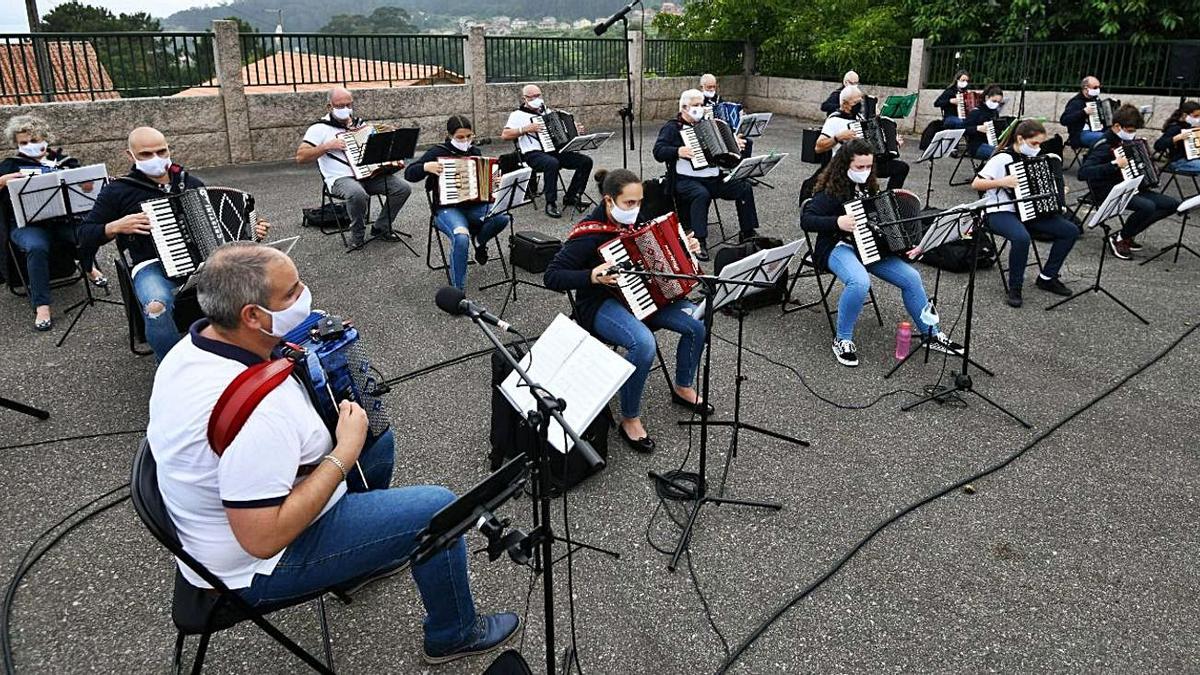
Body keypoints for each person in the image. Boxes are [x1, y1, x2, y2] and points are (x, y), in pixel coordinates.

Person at [146, 242, 519, 665]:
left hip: (221, 522)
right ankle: (454, 633)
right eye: (291, 293)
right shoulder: (259, 414)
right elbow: (262, 538)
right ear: (252, 316)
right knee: (437, 510)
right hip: (250, 565)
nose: (305, 295)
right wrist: (342, 453)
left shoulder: (192, 347)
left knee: (379, 444)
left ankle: (357, 565)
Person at [543, 169, 708, 453]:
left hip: (645, 297)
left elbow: (662, 253)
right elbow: (552, 276)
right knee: (644, 344)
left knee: (696, 324)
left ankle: (683, 386)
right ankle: (629, 418)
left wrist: (686, 246)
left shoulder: (637, 219)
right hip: (600, 303)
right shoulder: (588, 233)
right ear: (609, 200)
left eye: (639, 202)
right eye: (629, 203)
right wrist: (590, 275)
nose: (636, 209)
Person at [77, 127, 270, 361]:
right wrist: (114, 227)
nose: (156, 159)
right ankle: (172, 367)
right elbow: (84, 233)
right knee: (155, 308)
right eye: (146, 154)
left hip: (204, 261)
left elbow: (225, 231)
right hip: (152, 264)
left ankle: (243, 353)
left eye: (161, 151)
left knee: (255, 287)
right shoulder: (118, 191)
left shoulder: (190, 182)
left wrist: (251, 230)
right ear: (130, 155)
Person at [800, 139, 963, 367]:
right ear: (844, 165)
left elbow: (882, 221)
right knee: (859, 281)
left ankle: (931, 334)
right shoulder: (830, 192)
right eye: (859, 167)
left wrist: (903, 244)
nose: (865, 172)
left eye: (869, 167)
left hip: (868, 246)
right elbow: (807, 220)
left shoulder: (869, 187)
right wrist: (837, 221)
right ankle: (842, 339)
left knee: (912, 278)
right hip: (837, 246)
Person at [0, 114, 106, 331]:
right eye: (23, 143)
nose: (30, 146)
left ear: (46, 139)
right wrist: (2, 181)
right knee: (36, 247)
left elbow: (89, 186)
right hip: (27, 224)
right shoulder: (10, 165)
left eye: (35, 140)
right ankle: (42, 305)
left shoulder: (65, 161)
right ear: (16, 144)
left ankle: (87, 267)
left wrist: (87, 186)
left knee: (89, 232)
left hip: (63, 220)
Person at [971, 119, 1078, 307]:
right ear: (1020, 138)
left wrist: (1056, 191)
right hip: (999, 211)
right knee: (1021, 238)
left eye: (1040, 144)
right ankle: (1015, 287)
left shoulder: (1035, 158)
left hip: (1027, 210)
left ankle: (1047, 277)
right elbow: (976, 184)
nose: (1037, 148)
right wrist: (1002, 182)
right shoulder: (1002, 158)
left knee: (1070, 230)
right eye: (1034, 143)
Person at [295, 87, 411, 247]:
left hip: (368, 175)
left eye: (349, 105)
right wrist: (327, 146)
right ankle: (357, 235)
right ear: (329, 107)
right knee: (357, 193)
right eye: (341, 106)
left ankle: (381, 227)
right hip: (339, 178)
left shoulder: (360, 124)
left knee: (402, 188)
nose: (346, 109)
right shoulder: (319, 129)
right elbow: (301, 157)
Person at [405, 115, 511, 290]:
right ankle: (458, 289)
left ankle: (479, 241)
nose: (466, 140)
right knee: (461, 237)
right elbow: (410, 173)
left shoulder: (475, 152)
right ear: (449, 135)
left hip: (475, 206)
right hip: (447, 209)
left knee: (502, 216)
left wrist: (494, 181)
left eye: (469, 136)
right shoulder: (437, 152)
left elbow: (484, 181)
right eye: (460, 137)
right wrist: (426, 167)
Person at [653, 89, 757, 260]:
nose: (700, 108)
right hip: (685, 179)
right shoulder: (672, 127)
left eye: (702, 105)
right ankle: (699, 240)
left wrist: (734, 144)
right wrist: (678, 150)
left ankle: (748, 232)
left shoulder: (711, 125)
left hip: (713, 177)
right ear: (684, 108)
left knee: (743, 187)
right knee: (701, 194)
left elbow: (726, 154)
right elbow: (658, 151)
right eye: (696, 105)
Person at [1079, 103, 1180, 260]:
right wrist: (1113, 165)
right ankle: (1119, 238)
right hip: (1108, 190)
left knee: (1172, 204)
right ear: (1117, 126)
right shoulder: (1103, 145)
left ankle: (1126, 234)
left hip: (1131, 187)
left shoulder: (1127, 142)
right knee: (1148, 206)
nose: (1132, 135)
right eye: (1130, 131)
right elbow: (1083, 173)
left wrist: (1149, 169)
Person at [501, 84, 593, 219]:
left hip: (554, 150)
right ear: (524, 98)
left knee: (585, 161)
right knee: (551, 163)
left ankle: (572, 196)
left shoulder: (548, 112)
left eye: (537, 96)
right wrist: (525, 129)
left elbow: (562, 133)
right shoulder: (517, 115)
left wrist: (575, 130)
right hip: (532, 153)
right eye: (531, 97)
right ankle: (551, 203)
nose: (535, 99)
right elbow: (505, 135)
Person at [815, 85, 910, 190]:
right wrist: (837, 137)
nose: (860, 105)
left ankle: (890, 199)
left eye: (860, 101)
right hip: (847, 165)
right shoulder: (834, 120)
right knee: (867, 187)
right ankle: (869, 197)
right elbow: (819, 147)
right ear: (845, 104)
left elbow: (875, 142)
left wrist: (892, 143)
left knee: (901, 168)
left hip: (867, 163)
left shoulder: (861, 118)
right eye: (856, 103)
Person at [700, 73, 754, 156]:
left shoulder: (718, 99)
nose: (712, 89)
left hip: (724, 132)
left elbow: (728, 113)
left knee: (748, 142)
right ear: (702, 87)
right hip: (708, 134)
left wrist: (740, 115)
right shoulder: (698, 100)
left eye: (714, 87)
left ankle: (741, 165)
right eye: (709, 87)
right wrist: (704, 113)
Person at [1154, 100, 1200, 176]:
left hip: (1191, 159)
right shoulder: (1175, 127)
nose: (1198, 119)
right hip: (1178, 162)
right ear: (1185, 115)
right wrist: (1176, 138)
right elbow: (1158, 145)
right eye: (1195, 116)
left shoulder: (1188, 126)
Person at [1060, 76, 1106, 149]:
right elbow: (1064, 120)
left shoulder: (1096, 100)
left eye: (1099, 87)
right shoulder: (1076, 102)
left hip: (1096, 131)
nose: (1098, 90)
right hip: (1080, 134)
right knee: (1104, 138)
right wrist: (1083, 112)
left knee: (1113, 135)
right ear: (1086, 88)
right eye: (1095, 87)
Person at [964, 84, 1005, 159]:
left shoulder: (994, 112)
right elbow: (963, 129)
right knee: (999, 155)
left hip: (991, 143)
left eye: (998, 102)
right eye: (994, 101)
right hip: (976, 145)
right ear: (987, 97)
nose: (996, 104)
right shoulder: (976, 112)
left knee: (1007, 153)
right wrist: (977, 128)